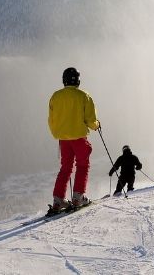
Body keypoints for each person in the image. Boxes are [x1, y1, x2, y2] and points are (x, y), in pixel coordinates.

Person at [47, 67, 100, 214]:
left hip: (63, 139)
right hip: (79, 138)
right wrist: (96, 125)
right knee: (82, 165)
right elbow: (90, 120)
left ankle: (58, 201)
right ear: (77, 81)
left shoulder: (55, 96)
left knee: (65, 168)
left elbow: (51, 120)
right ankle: (78, 197)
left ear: (64, 80)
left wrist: (57, 133)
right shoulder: (84, 96)